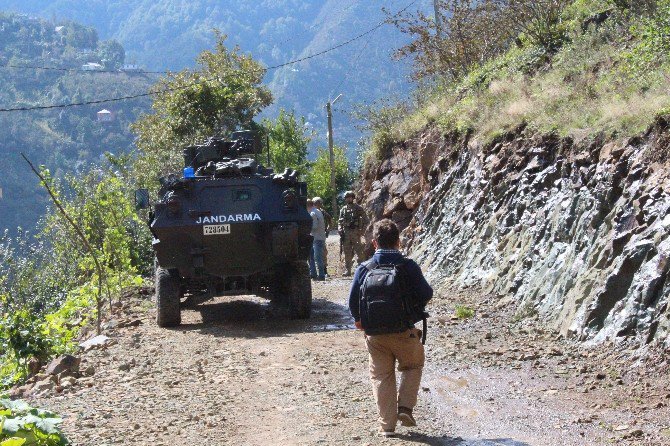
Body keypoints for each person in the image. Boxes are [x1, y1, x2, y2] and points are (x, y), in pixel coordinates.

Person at [348, 219, 433, 437]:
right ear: (398, 242)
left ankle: (387, 426)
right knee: (413, 365)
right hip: (404, 331)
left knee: (382, 376)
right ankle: (404, 408)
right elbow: (426, 293)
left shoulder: (364, 268)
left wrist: (360, 320)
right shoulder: (408, 266)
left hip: (375, 335)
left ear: (375, 243)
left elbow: (352, 301)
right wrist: (412, 309)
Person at [338, 190, 368, 276]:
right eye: (347, 197)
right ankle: (348, 270)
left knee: (359, 251)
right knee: (347, 252)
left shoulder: (358, 208)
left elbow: (366, 220)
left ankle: (361, 269)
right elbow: (340, 222)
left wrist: (361, 231)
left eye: (350, 197)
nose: (348, 199)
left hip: (356, 233)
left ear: (353, 198)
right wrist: (340, 229)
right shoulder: (343, 209)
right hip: (346, 233)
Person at [307, 199, 326, 281]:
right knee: (312, 257)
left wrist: (306, 229)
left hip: (316, 238)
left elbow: (314, 226)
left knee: (317, 257)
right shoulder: (318, 211)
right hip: (319, 237)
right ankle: (313, 273)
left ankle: (321, 275)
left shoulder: (312, 213)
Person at [313, 197, 332, 277]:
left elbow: (330, 221)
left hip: (321, 235)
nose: (318, 204)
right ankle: (315, 271)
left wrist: (327, 230)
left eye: (319, 203)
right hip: (314, 235)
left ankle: (324, 270)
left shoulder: (323, 212)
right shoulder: (312, 212)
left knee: (323, 253)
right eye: (316, 203)